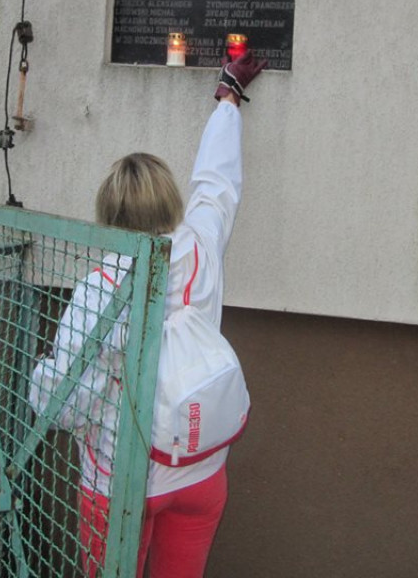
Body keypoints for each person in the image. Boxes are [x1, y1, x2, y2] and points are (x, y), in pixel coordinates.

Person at [31, 52, 265, 577]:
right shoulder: (202, 244)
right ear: (171, 200)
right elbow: (218, 185)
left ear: (109, 217)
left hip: (121, 482)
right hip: (201, 470)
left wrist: (43, 377)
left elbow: (63, 405)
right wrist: (228, 99)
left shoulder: (100, 289)